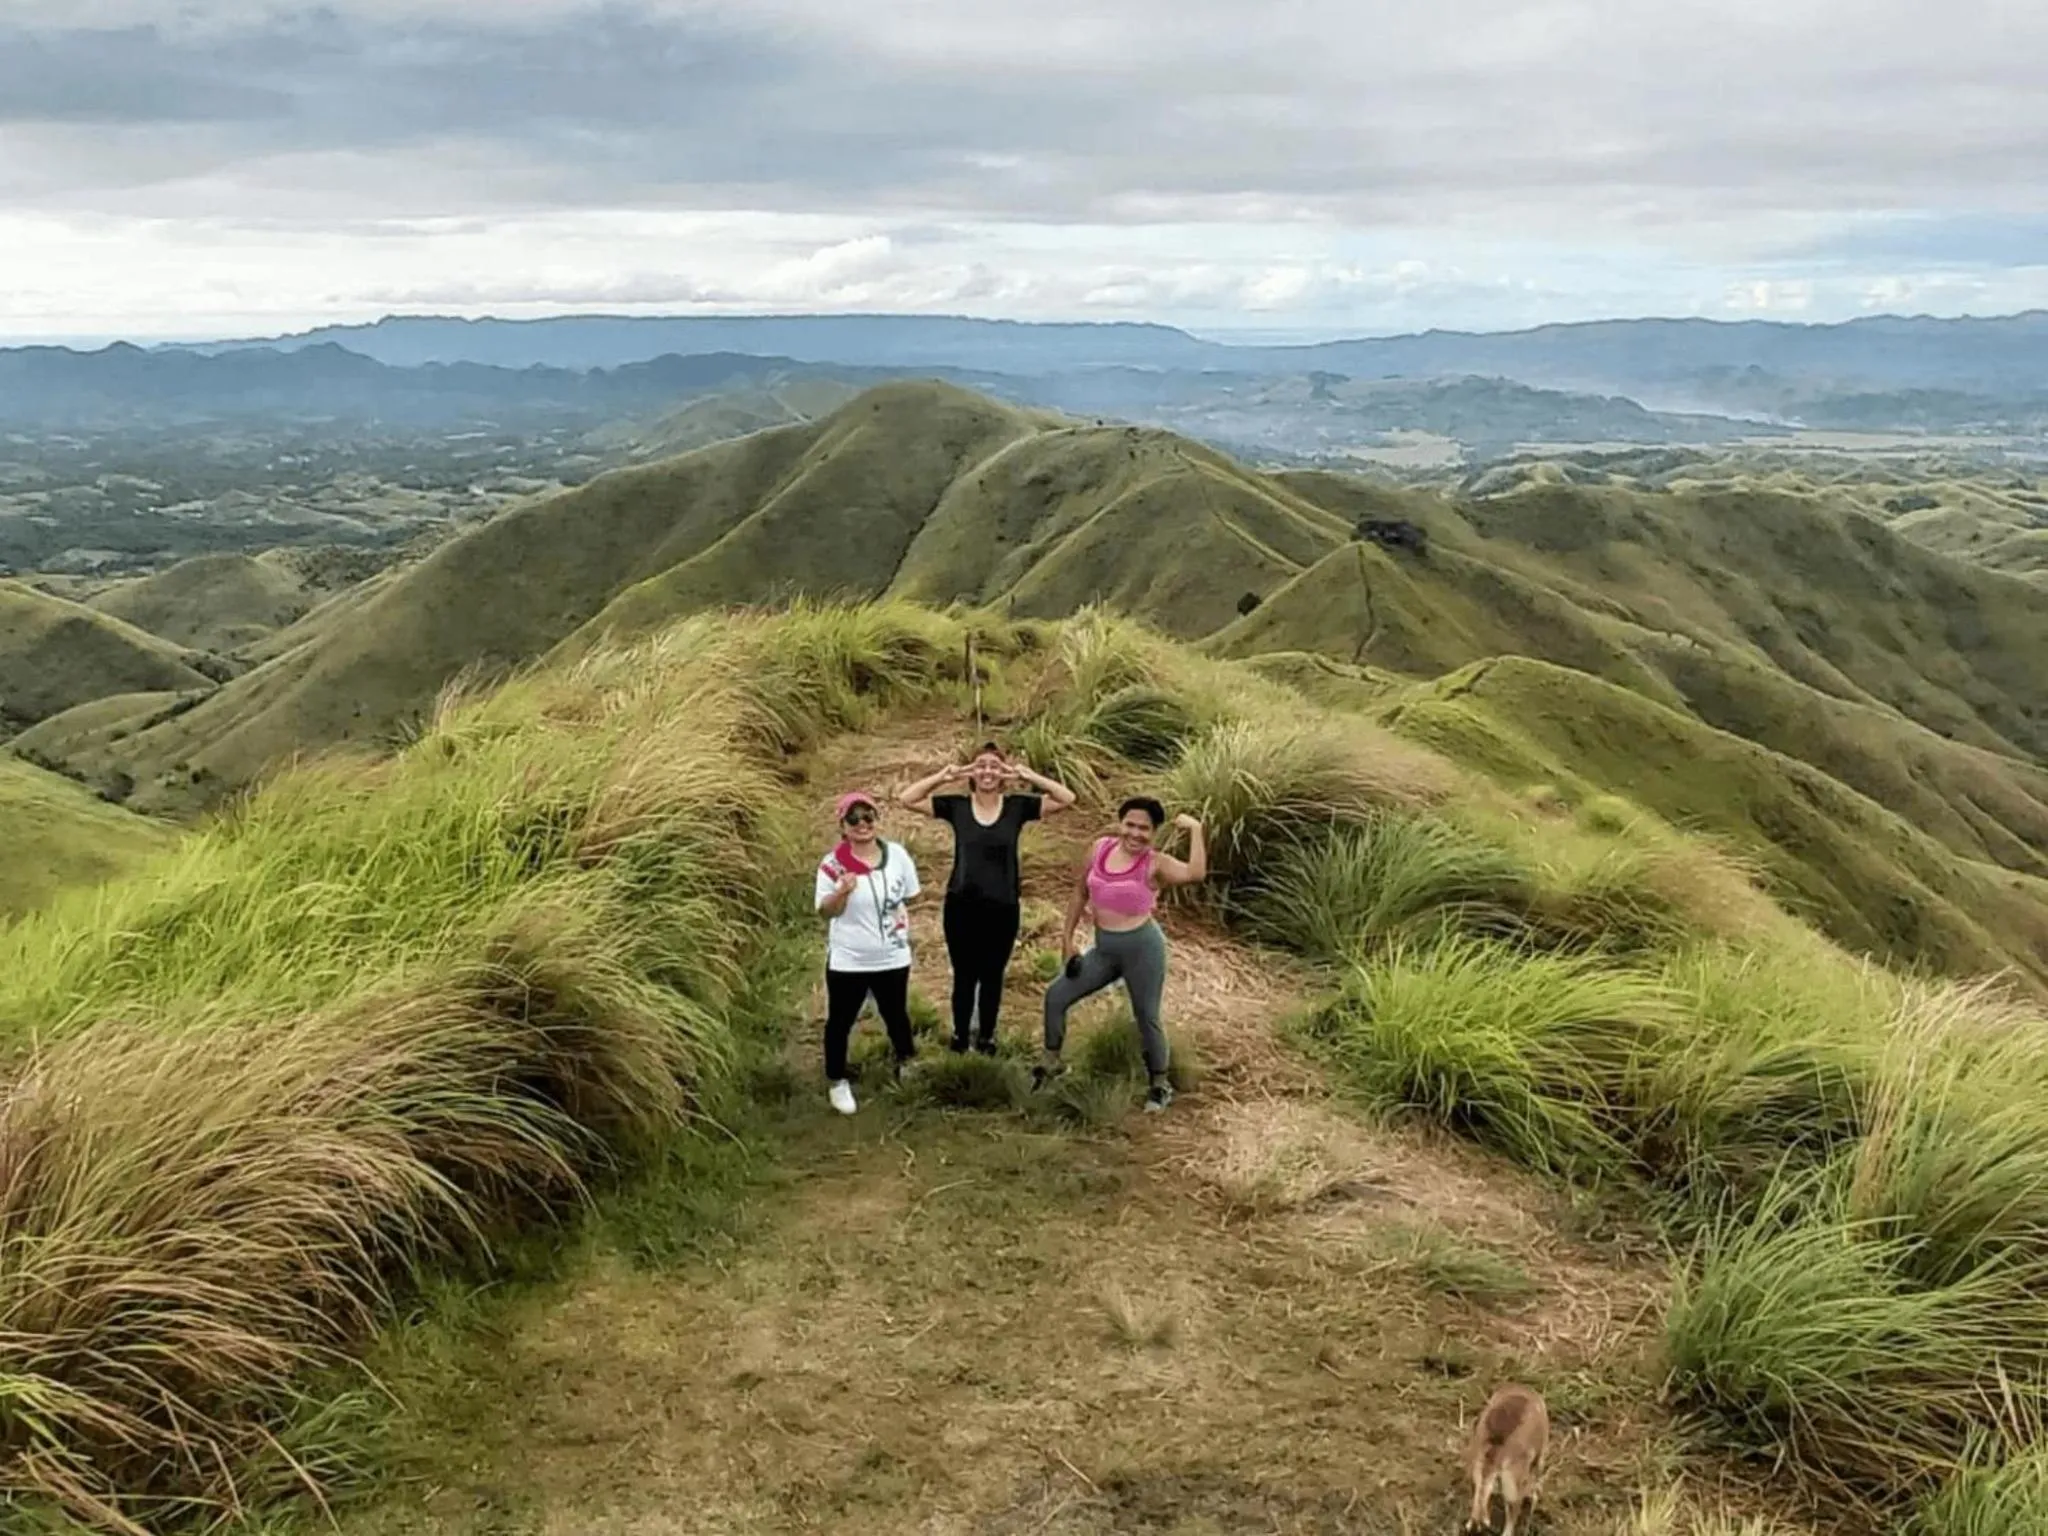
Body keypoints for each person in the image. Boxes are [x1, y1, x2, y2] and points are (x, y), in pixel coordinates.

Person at [899, 743, 1077, 1054]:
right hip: (961, 906)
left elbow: (1067, 798)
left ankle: (987, 1038)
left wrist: (1028, 774)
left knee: (993, 976)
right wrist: (944, 775)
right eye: (981, 765)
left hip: (1003, 906)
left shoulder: (1017, 806)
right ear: (972, 772)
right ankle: (959, 1037)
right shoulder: (957, 806)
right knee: (964, 976)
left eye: (994, 766)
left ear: (1003, 773)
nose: (987, 771)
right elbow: (907, 798)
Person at [1037, 797, 1207, 1112]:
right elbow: (1079, 892)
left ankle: (1159, 1084)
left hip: (1142, 948)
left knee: (1146, 1016)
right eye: (1129, 825)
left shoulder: (1155, 863)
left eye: (1144, 829)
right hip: (1104, 949)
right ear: (1120, 823)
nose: (1135, 834)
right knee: (1056, 996)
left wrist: (1196, 829)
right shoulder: (1100, 848)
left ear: (1154, 832)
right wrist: (1067, 938)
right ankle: (1051, 1063)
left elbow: (1195, 873)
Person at [814, 789, 922, 1115]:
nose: (862, 824)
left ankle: (906, 1062)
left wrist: (895, 919)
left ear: (877, 820)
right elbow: (825, 912)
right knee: (840, 1020)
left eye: (868, 817)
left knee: (896, 1013)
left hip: (892, 956)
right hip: (850, 959)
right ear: (843, 826)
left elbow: (912, 894)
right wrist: (842, 894)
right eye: (854, 819)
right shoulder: (833, 865)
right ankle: (837, 1079)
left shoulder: (898, 855)